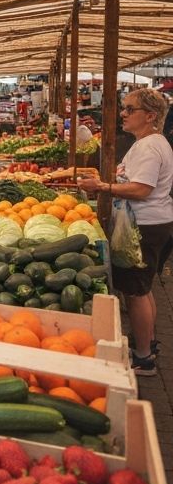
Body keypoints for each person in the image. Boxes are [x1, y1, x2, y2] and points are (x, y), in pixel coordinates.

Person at [77, 88, 173, 377]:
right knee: (143, 287)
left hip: (144, 224)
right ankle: (149, 345)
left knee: (135, 290)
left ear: (150, 116)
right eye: (124, 108)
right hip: (152, 223)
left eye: (130, 109)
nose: (123, 114)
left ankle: (143, 359)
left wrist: (104, 187)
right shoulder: (149, 142)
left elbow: (142, 190)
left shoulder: (149, 146)